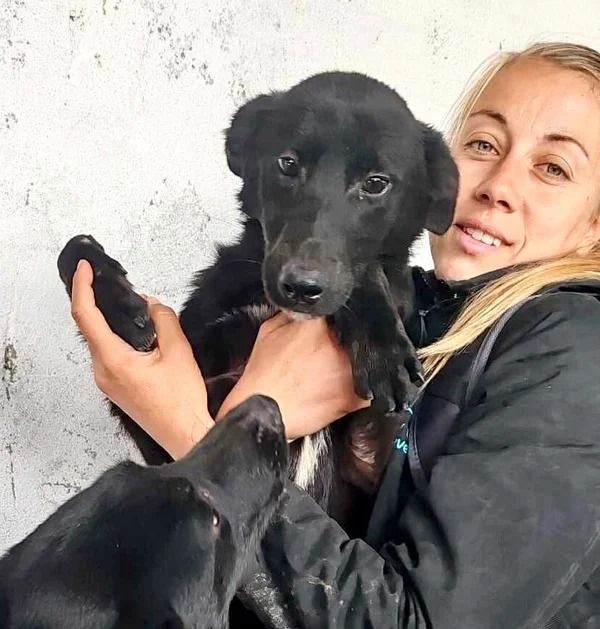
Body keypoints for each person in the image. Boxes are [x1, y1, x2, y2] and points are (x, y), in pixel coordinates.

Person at [69, 42, 600, 627]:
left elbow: (413, 619)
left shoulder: (575, 356)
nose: (497, 184)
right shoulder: (424, 312)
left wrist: (194, 436)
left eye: (554, 168)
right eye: (484, 144)